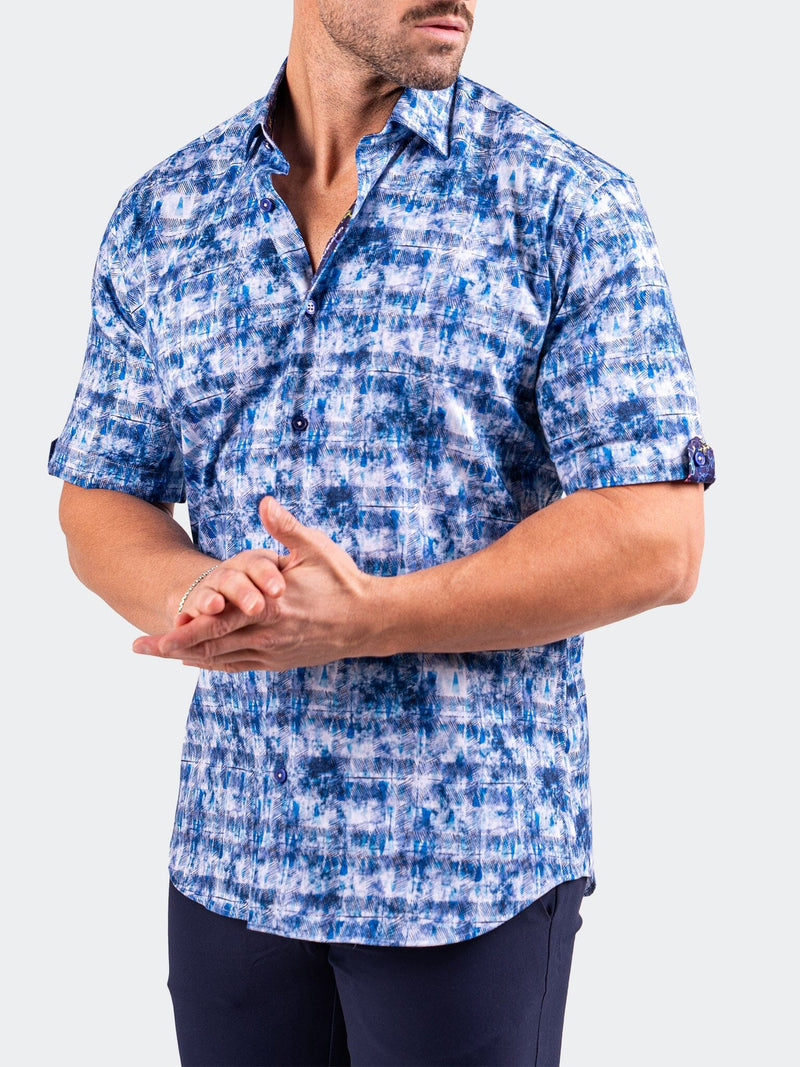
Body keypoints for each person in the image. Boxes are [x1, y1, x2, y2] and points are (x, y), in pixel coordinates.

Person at [48, 1, 715, 1064]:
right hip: (232, 857)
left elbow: (659, 537)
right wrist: (191, 589)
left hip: (465, 873)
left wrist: (372, 617)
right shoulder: (165, 214)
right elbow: (100, 495)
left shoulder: (562, 201)